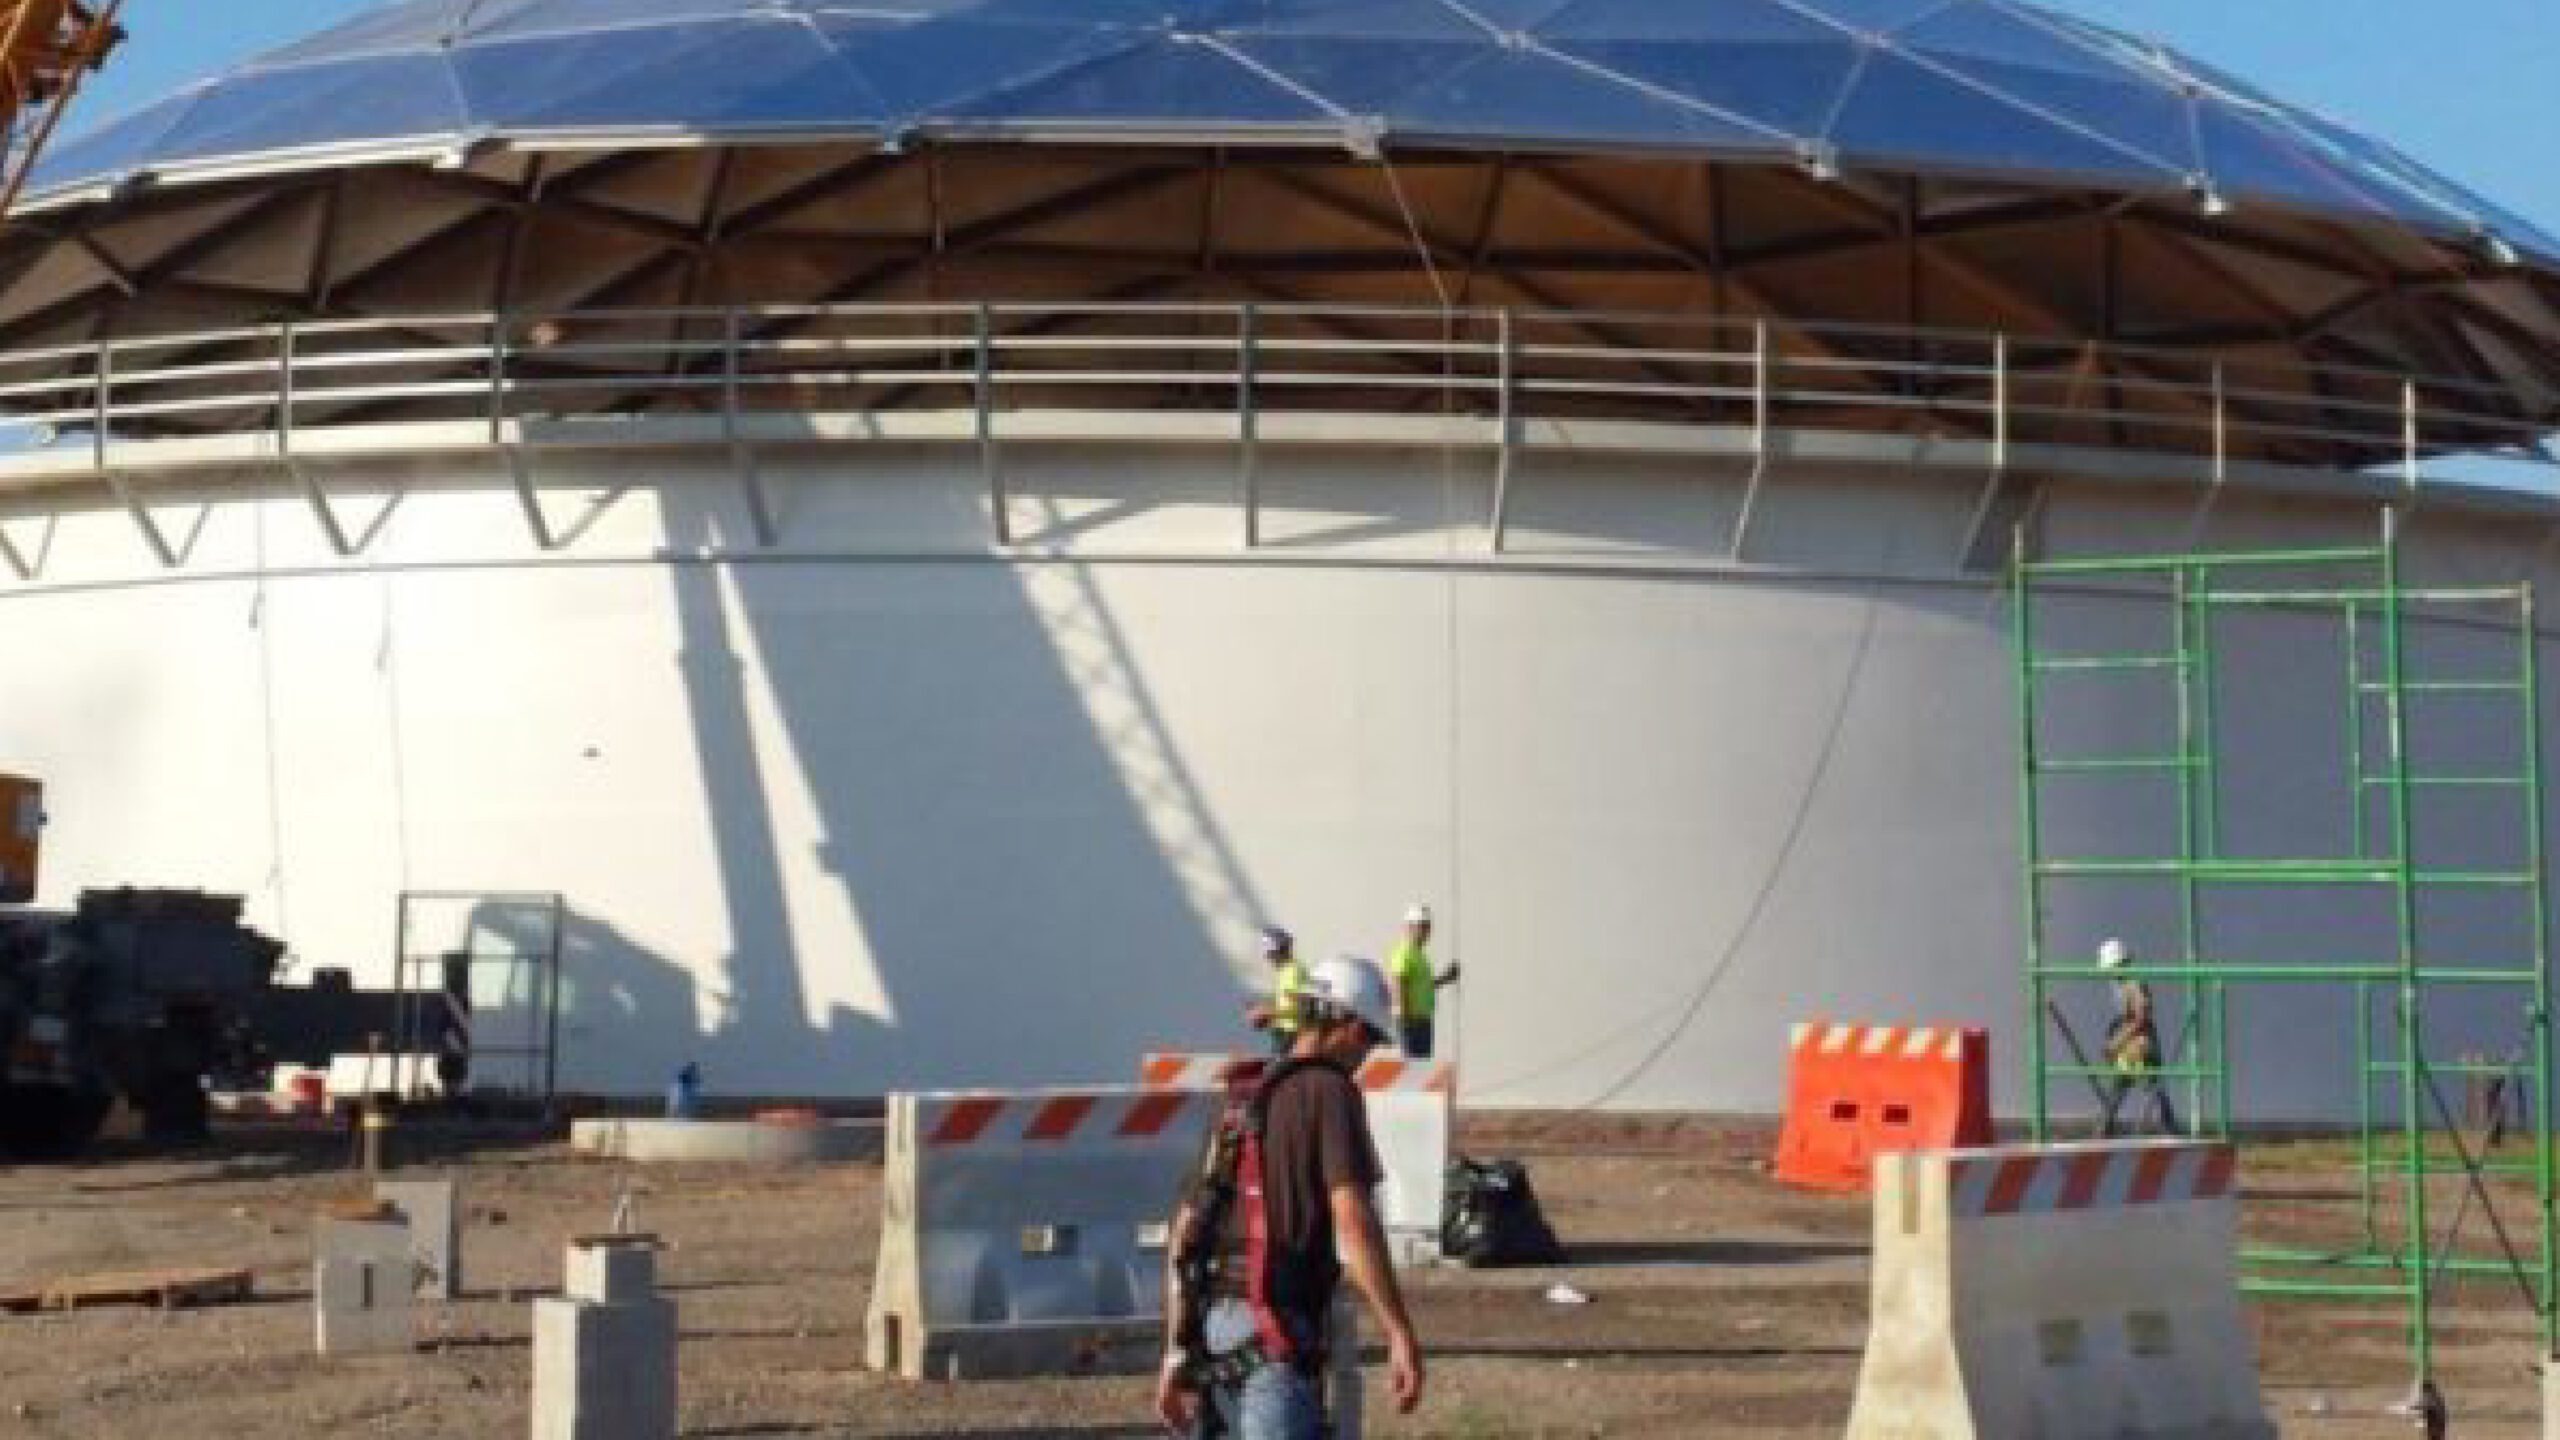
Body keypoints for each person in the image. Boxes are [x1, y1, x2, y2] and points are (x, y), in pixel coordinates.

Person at [1158, 955, 1426, 1439]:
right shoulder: (1331, 1091)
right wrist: (1398, 1330)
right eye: (1369, 1037)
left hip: (1214, 1338)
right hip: (1275, 1342)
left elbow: (1184, 1231)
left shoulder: (1240, 1096)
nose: (1368, 1054)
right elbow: (1353, 1220)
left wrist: (1176, 1353)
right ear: (1343, 1024)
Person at [2096, 938, 2180, 1137]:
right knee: (2121, 1083)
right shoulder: (2121, 982)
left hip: (2140, 1044)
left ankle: (2170, 1130)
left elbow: (2141, 1017)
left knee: (2151, 1085)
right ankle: (2104, 1128)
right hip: (2129, 1045)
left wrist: (2117, 1043)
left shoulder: (2134, 982)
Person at [1385, 904, 1458, 1059]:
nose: (1426, 932)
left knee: (1421, 1069)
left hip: (1423, 1021)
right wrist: (1404, 1020)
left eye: (1428, 927)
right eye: (1422, 927)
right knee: (1410, 1069)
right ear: (1409, 927)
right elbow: (1398, 982)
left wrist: (1445, 978)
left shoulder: (1420, 956)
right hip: (1410, 1022)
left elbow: (1424, 986)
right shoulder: (1404, 952)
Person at [1243, 926, 1304, 1055]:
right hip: (1284, 1032)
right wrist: (1264, 1009)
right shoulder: (1285, 971)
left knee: (1276, 1072)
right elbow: (1287, 1003)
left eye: (1269, 954)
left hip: (1290, 1034)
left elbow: (1296, 1006)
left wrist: (1266, 1012)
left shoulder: (1292, 972)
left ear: (1277, 951)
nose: (1267, 958)